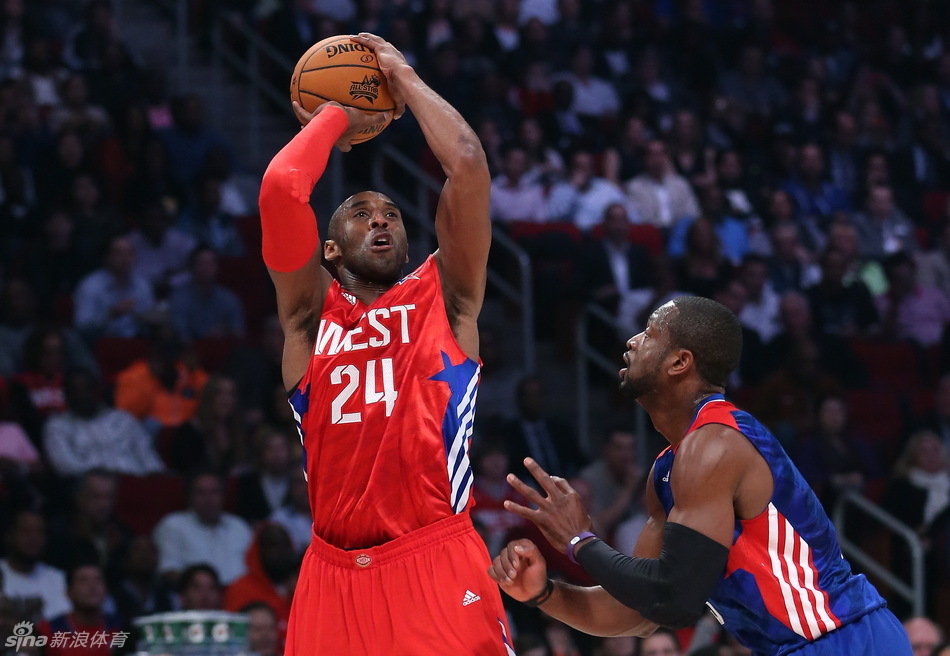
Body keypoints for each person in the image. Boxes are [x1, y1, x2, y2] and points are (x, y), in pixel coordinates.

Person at [258, 32, 514, 655]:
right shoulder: (308, 319)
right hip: (330, 574)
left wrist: (400, 77)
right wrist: (336, 117)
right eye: (360, 212)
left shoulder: (444, 297)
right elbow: (280, 189)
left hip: (435, 556)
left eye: (393, 213)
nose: (380, 218)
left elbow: (469, 163)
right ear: (330, 248)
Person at [489, 296, 911, 655]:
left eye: (650, 333)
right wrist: (544, 593)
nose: (631, 342)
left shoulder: (715, 444)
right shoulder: (668, 470)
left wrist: (580, 541)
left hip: (844, 638)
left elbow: (675, 599)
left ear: (679, 362)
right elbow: (637, 613)